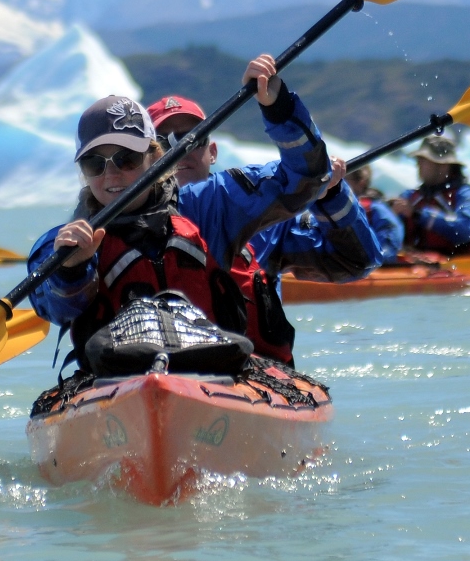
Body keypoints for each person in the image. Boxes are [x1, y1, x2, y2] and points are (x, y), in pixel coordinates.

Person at [27, 54, 330, 370]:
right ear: (84, 172)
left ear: (154, 157)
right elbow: (54, 308)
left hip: (220, 372)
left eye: (127, 159)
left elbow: (306, 176)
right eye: (95, 163)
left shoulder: (210, 205)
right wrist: (72, 269)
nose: (111, 174)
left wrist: (278, 107)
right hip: (120, 382)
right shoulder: (64, 244)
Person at [148, 94, 381, 363]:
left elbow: (356, 260)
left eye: (191, 139)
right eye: (165, 142)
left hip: (252, 370)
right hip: (162, 364)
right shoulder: (131, 220)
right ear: (147, 157)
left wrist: (331, 195)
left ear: (212, 152)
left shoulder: (268, 219)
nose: (180, 151)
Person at [389, 135, 470, 255]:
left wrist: (418, 214)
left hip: (455, 266)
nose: (418, 165)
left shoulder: (466, 195)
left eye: (423, 160)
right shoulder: (410, 197)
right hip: (416, 266)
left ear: (442, 165)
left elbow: (467, 229)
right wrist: (390, 213)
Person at [345, 165, 406, 265]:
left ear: (361, 183)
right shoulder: (330, 208)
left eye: (344, 180)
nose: (338, 184)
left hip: (368, 268)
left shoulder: (377, 210)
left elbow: (388, 249)